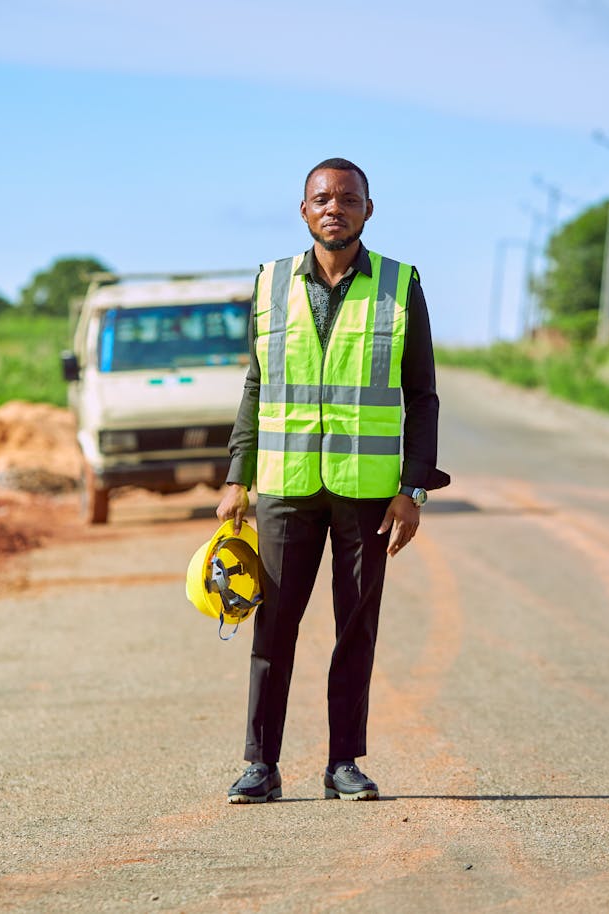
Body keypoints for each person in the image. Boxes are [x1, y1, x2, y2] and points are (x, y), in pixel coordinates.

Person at [216, 157, 449, 803]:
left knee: (355, 629)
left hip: (366, 492)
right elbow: (257, 385)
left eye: (348, 198)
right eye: (322, 198)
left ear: (368, 209)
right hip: (286, 485)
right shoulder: (270, 283)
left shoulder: (401, 286)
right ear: (304, 210)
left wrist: (414, 489)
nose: (334, 208)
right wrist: (238, 476)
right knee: (273, 629)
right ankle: (261, 766)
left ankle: (343, 762)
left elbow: (422, 396)